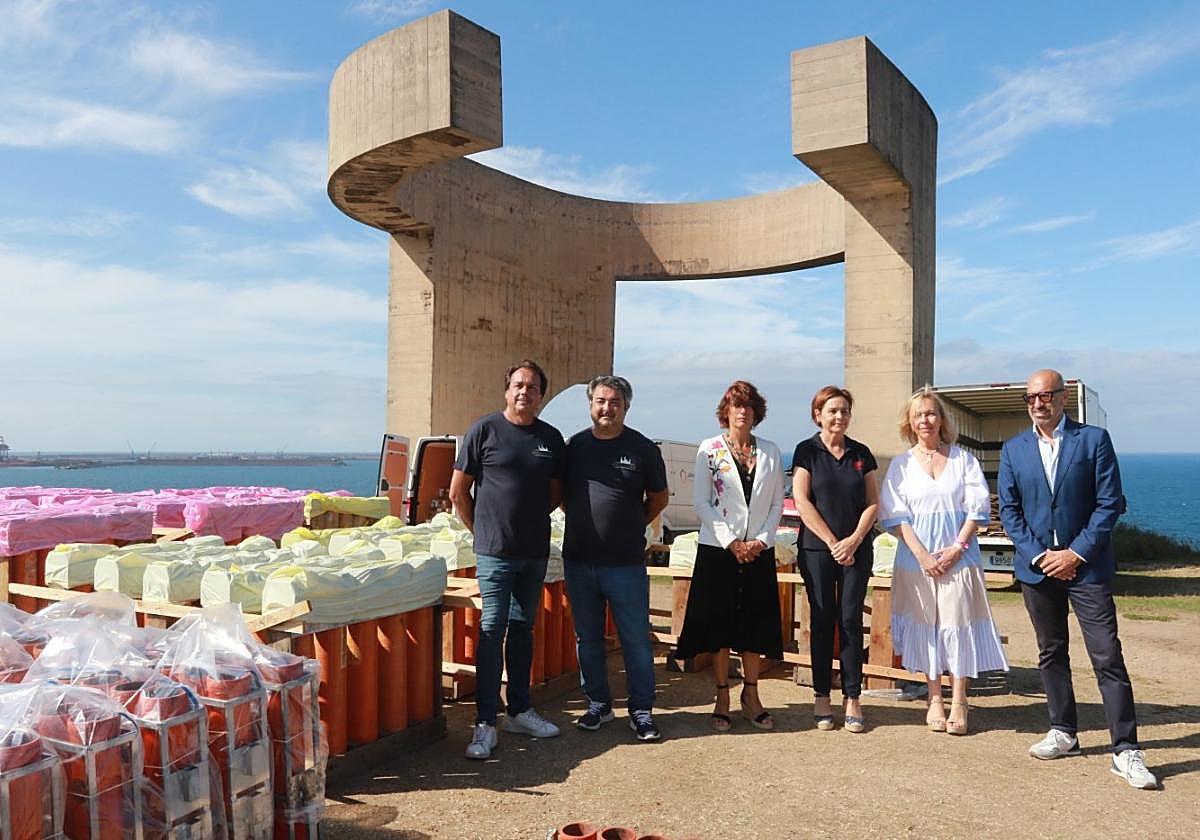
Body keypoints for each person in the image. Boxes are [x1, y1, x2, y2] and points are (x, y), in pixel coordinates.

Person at [998, 369, 1157, 789]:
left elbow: (1109, 504)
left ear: (1063, 397)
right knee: (1051, 653)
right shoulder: (1014, 449)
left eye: (1046, 395)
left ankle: (1126, 750)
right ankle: (1063, 731)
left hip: (1087, 568)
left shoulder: (1094, 441)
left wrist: (1074, 554)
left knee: (1107, 655)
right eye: (1031, 397)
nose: (1038, 404)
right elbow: (1010, 512)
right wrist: (1040, 556)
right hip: (1038, 571)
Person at [449, 359, 566, 760]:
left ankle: (518, 711)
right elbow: (458, 492)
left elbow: (556, 494)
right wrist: (482, 532)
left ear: (540, 395)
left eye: (532, 387)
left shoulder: (550, 438)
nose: (524, 392)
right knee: (491, 629)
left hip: (534, 552)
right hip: (495, 553)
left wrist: (527, 521)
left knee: (522, 630)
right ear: (507, 390)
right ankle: (485, 723)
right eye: (518, 385)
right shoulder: (484, 430)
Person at [879, 387, 1008, 736]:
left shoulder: (964, 460)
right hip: (915, 559)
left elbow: (977, 509)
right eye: (918, 414)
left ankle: (960, 700)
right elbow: (895, 515)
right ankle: (934, 697)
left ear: (941, 419)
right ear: (909, 422)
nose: (925, 420)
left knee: (957, 623)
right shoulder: (901, 465)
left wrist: (956, 548)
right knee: (927, 625)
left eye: (931, 413)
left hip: (959, 558)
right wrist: (923, 556)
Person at [562, 375, 670, 741]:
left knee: (635, 639)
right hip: (579, 561)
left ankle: (641, 710)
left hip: (625, 563)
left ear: (626, 407)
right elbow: (562, 495)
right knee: (587, 638)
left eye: (615, 402)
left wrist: (630, 525)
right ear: (590, 405)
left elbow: (659, 498)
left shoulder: (642, 448)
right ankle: (598, 704)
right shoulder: (574, 446)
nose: (607, 408)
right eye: (601, 401)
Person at [674, 380, 785, 731]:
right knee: (719, 626)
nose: (742, 412)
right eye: (736, 405)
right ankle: (722, 695)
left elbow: (777, 503)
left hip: (758, 552)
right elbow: (702, 503)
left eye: (748, 406)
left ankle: (751, 695)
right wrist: (732, 542)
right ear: (726, 411)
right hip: (719, 551)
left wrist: (760, 541)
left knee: (754, 625)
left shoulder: (771, 451)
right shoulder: (709, 449)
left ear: (756, 412)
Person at [791, 386, 879, 733]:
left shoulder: (861, 453)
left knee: (850, 620)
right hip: (817, 550)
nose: (839, 416)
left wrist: (853, 541)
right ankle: (821, 696)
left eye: (844, 410)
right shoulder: (806, 451)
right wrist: (832, 542)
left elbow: (873, 502)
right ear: (818, 415)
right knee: (823, 620)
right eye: (832, 411)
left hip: (857, 550)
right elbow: (801, 500)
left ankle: (853, 697)